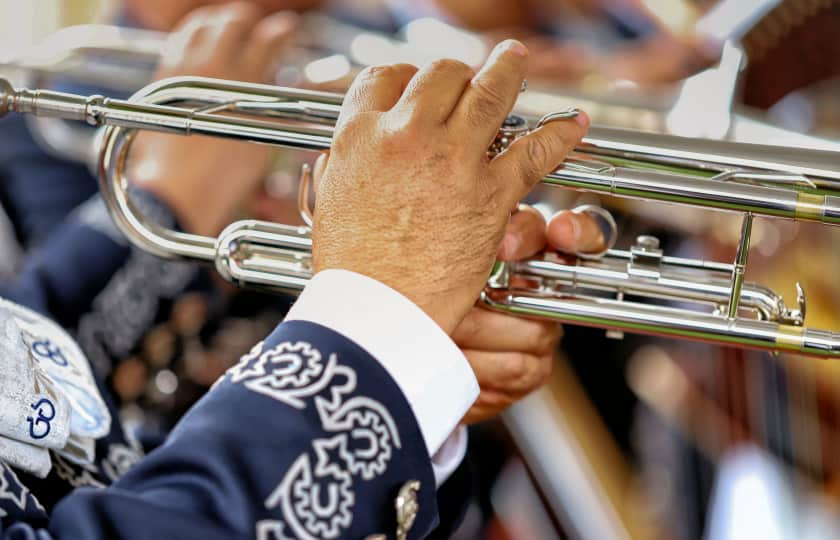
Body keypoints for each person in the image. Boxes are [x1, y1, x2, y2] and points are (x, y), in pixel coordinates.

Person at [0, 3, 606, 536]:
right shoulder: (47, 125)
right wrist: (365, 330)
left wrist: (406, 380)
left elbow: (95, 475)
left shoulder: (355, 28)